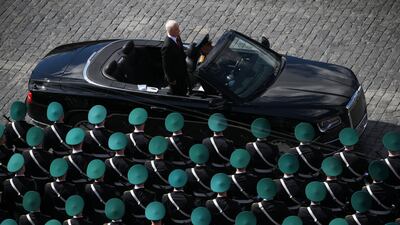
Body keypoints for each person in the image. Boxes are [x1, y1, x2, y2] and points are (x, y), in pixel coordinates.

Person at [84, 159, 118, 225]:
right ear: (103, 174)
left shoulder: (87, 188)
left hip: (96, 215)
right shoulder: (111, 188)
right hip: (109, 215)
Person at [161, 20, 189, 96]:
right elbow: (166, 65)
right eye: (177, 29)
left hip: (182, 71)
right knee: (178, 93)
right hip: (176, 77)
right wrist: (171, 80)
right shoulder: (167, 46)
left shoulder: (177, 36)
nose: (179, 30)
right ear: (171, 31)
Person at [22, 126, 54, 191]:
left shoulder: (25, 154)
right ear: (41, 141)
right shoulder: (48, 155)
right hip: (47, 180)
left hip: (35, 181)